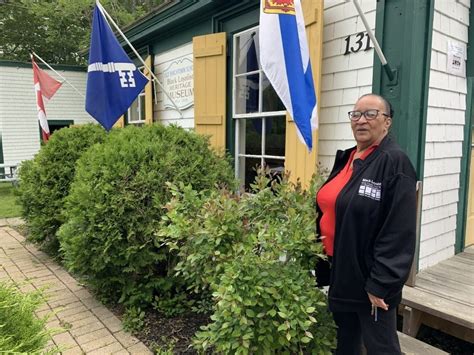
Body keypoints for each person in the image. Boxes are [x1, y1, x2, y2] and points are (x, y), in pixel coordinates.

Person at [315, 93, 417, 354]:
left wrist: (381, 283)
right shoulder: (348, 158)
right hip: (342, 270)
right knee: (346, 342)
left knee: (381, 347)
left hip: (370, 279)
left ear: (387, 122)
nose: (361, 120)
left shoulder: (394, 162)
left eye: (371, 114)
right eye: (356, 114)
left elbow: (399, 230)